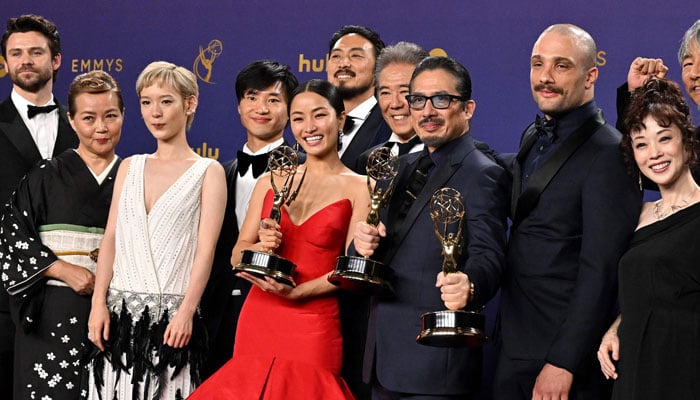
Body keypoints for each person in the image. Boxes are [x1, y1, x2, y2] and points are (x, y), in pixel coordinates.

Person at [189, 79, 371, 399]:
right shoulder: (270, 180)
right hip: (259, 315)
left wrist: (298, 292)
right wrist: (258, 249)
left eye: (319, 115)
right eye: (298, 118)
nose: (309, 127)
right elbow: (237, 253)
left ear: (340, 119)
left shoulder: (360, 187)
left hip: (315, 322)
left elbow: (353, 268)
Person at [494, 24, 642, 399]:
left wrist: (564, 362)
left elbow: (601, 270)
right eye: (537, 64)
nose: (545, 77)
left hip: (561, 359)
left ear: (590, 75)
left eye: (561, 66)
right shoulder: (535, 134)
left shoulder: (609, 154)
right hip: (512, 344)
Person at [353, 55, 509, 399]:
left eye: (441, 100)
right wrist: (359, 245)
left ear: (467, 109)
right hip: (382, 358)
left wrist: (469, 286)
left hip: (436, 364)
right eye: (418, 100)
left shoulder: (482, 172)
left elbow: (490, 256)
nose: (426, 111)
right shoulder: (396, 167)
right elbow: (376, 250)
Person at [85, 61, 226, 399]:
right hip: (116, 323)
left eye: (166, 101)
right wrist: (97, 305)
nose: (155, 113)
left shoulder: (208, 171)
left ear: (189, 104)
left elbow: (205, 251)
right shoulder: (129, 167)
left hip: (171, 325)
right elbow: (111, 241)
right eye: (146, 102)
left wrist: (187, 313)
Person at [0, 70, 122, 400]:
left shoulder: (134, 176)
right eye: (89, 118)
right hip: (52, 309)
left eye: (111, 116)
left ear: (123, 116)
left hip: (115, 311)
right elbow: (12, 237)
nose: (101, 128)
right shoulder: (43, 176)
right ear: (70, 120)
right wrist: (61, 270)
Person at [596, 78, 700, 399]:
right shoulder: (638, 214)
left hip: (686, 372)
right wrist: (617, 326)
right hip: (634, 372)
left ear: (686, 141)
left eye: (664, 138)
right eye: (641, 144)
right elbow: (650, 289)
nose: (654, 153)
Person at [199, 60, 298, 379]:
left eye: (273, 99)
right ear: (239, 106)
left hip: (276, 309)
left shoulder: (306, 173)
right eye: (252, 97)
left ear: (289, 109)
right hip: (214, 317)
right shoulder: (215, 172)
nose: (261, 108)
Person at [0, 14, 78, 395]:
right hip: (2, 298)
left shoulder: (85, 129)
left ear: (57, 60)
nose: (25, 60)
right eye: (16, 53)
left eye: (35, 52)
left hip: (67, 302)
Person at [354, 41, 429, 173]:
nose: (395, 104)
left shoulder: (449, 157)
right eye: (385, 93)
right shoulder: (367, 160)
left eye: (405, 92)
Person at [327, 25, 391, 170]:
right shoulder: (313, 125)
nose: (343, 64)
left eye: (356, 55)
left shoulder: (392, 124)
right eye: (336, 56)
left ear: (378, 69)